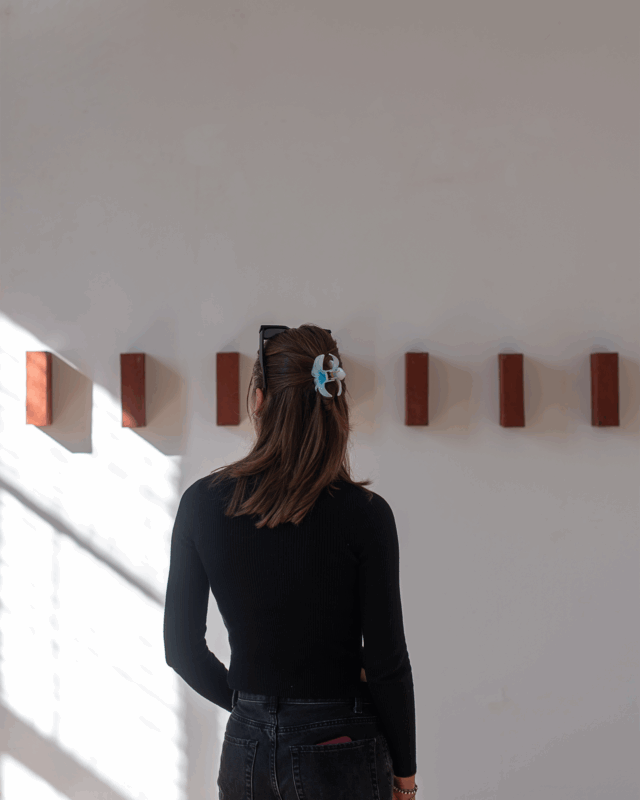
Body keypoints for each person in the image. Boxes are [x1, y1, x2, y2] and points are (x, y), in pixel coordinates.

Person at [164, 323, 418, 798]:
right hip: (341, 741)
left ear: (258, 399)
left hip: (246, 747)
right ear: (335, 403)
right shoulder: (366, 515)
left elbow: (180, 649)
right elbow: (386, 663)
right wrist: (405, 776)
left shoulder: (201, 503)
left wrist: (252, 709)